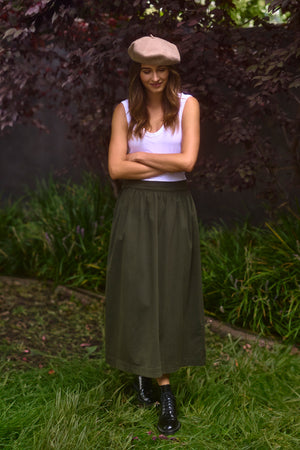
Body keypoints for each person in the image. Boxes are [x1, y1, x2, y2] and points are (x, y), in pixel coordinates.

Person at [105, 35, 205, 435]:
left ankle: (155, 378)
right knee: (139, 291)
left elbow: (188, 161)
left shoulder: (188, 106)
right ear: (138, 72)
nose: (154, 76)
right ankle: (154, 382)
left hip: (175, 209)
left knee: (168, 292)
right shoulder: (124, 111)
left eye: (161, 69)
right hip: (135, 209)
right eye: (147, 69)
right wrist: (162, 164)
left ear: (172, 71)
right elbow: (115, 170)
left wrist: (141, 156)